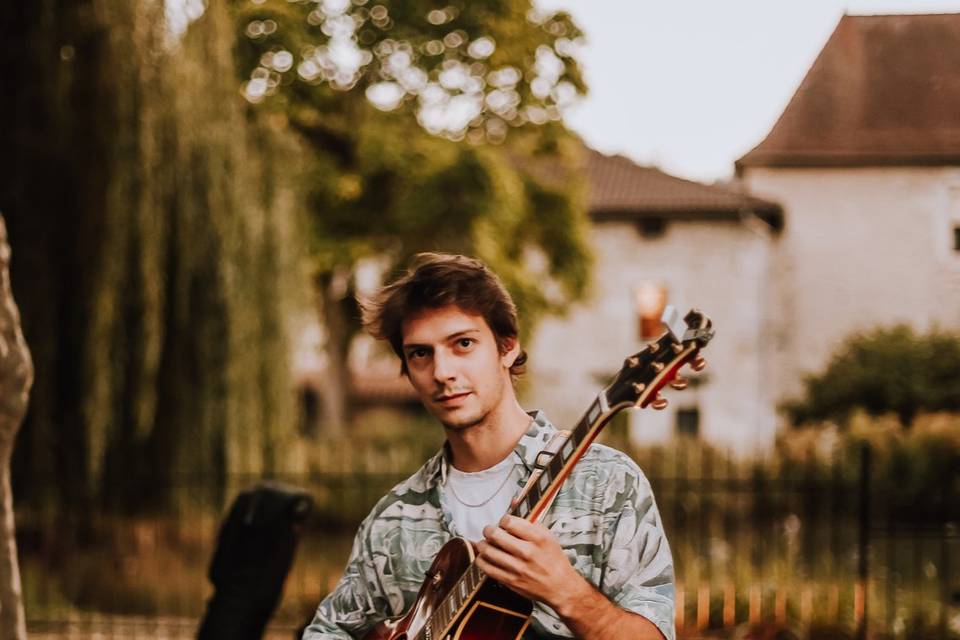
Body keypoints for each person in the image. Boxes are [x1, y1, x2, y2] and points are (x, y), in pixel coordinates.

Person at [303, 253, 675, 640]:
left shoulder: (605, 483)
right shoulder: (392, 519)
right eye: (420, 353)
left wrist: (567, 592)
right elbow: (326, 632)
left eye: (463, 343)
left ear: (507, 346)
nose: (442, 372)